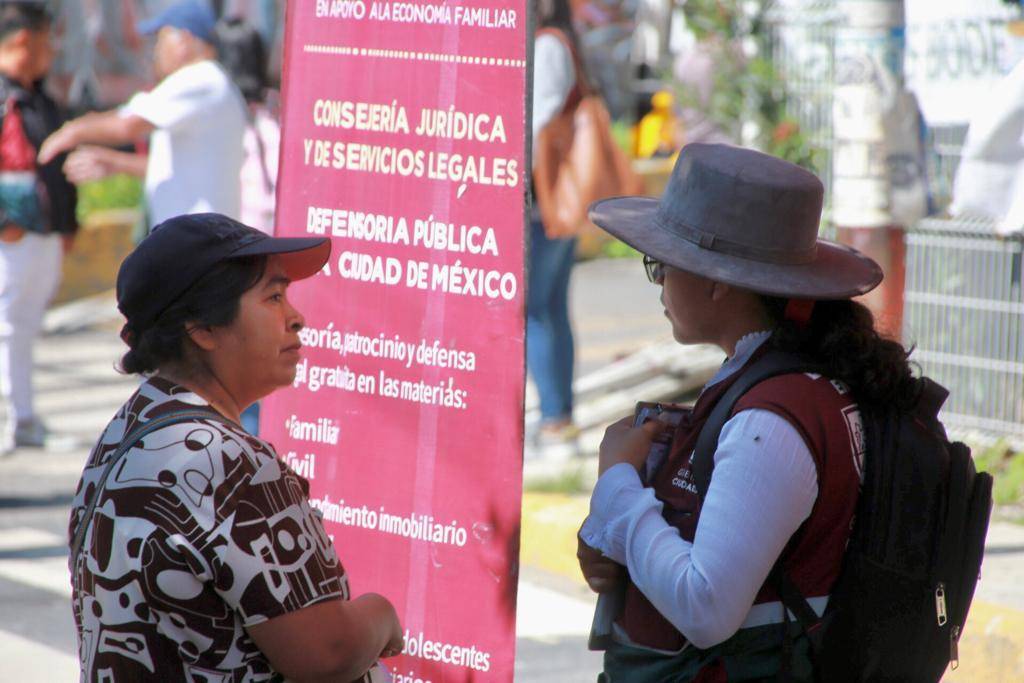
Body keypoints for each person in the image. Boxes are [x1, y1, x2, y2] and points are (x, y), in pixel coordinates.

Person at [577, 143, 918, 680]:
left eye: (661, 265)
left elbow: (706, 608)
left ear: (715, 281)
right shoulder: (771, 384)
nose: (660, 282)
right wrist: (616, 538)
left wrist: (619, 486)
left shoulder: (771, 421)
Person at [67, 213, 403, 681]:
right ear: (202, 329)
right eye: (273, 297)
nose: (296, 318)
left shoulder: (126, 431)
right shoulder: (223, 459)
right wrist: (382, 614)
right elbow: (327, 653)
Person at [38, 0, 246, 230]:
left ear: (184, 39)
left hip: (200, 240)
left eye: (161, 39)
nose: (156, 50)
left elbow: (128, 125)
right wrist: (113, 162)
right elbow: (167, 168)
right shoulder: (208, 83)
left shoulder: (200, 78)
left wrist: (72, 131)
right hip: (199, 238)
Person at [0, 0, 78, 453]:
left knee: (24, 329)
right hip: (12, 239)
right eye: (48, 42)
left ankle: (24, 418)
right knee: (8, 328)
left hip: (42, 238)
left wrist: (67, 223)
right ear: (24, 41)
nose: (54, 53)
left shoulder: (41, 99)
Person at [529, 0, 582, 455]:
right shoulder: (562, 41)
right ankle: (559, 414)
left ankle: (554, 420)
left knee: (537, 310)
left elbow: (537, 127)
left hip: (540, 201)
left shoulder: (547, 45)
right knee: (551, 308)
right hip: (555, 198)